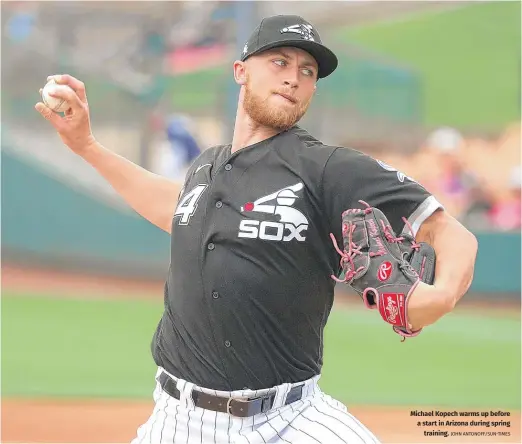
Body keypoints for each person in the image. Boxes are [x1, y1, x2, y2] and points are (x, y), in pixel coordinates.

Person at [35, 14, 478, 444]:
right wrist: (86, 146)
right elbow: (174, 208)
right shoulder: (206, 166)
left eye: (307, 72)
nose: (294, 78)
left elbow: (452, 234)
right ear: (240, 71)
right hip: (176, 420)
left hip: (291, 419)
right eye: (280, 62)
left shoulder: (328, 168)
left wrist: (439, 297)